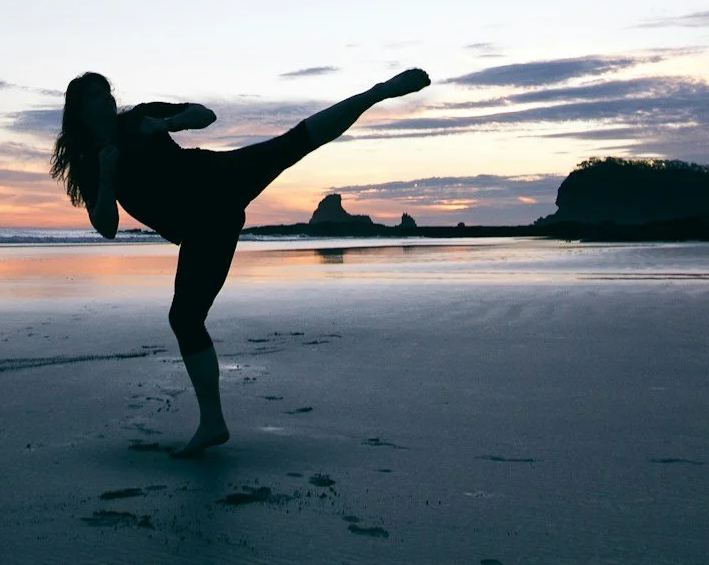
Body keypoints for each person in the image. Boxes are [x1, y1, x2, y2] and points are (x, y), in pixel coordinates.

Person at [49, 67, 431, 457]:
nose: (108, 99)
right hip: (204, 227)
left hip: (218, 179)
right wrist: (109, 178)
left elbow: (205, 114)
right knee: (185, 318)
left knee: (291, 144)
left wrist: (164, 124)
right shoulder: (88, 162)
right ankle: (212, 424)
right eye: (96, 96)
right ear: (79, 110)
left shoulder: (139, 118)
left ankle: (377, 92)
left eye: (107, 92)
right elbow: (107, 226)